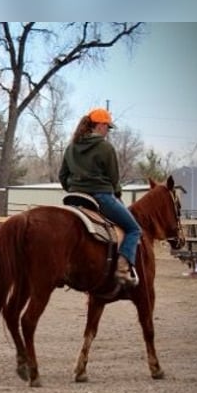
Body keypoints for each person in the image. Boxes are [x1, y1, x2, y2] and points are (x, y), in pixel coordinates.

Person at [58, 107, 142, 287]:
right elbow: (113, 178)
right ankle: (122, 267)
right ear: (101, 125)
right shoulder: (105, 147)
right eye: (108, 127)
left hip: (75, 198)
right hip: (101, 196)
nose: (108, 131)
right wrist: (117, 195)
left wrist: (73, 189)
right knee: (134, 229)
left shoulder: (71, 147)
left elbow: (62, 176)